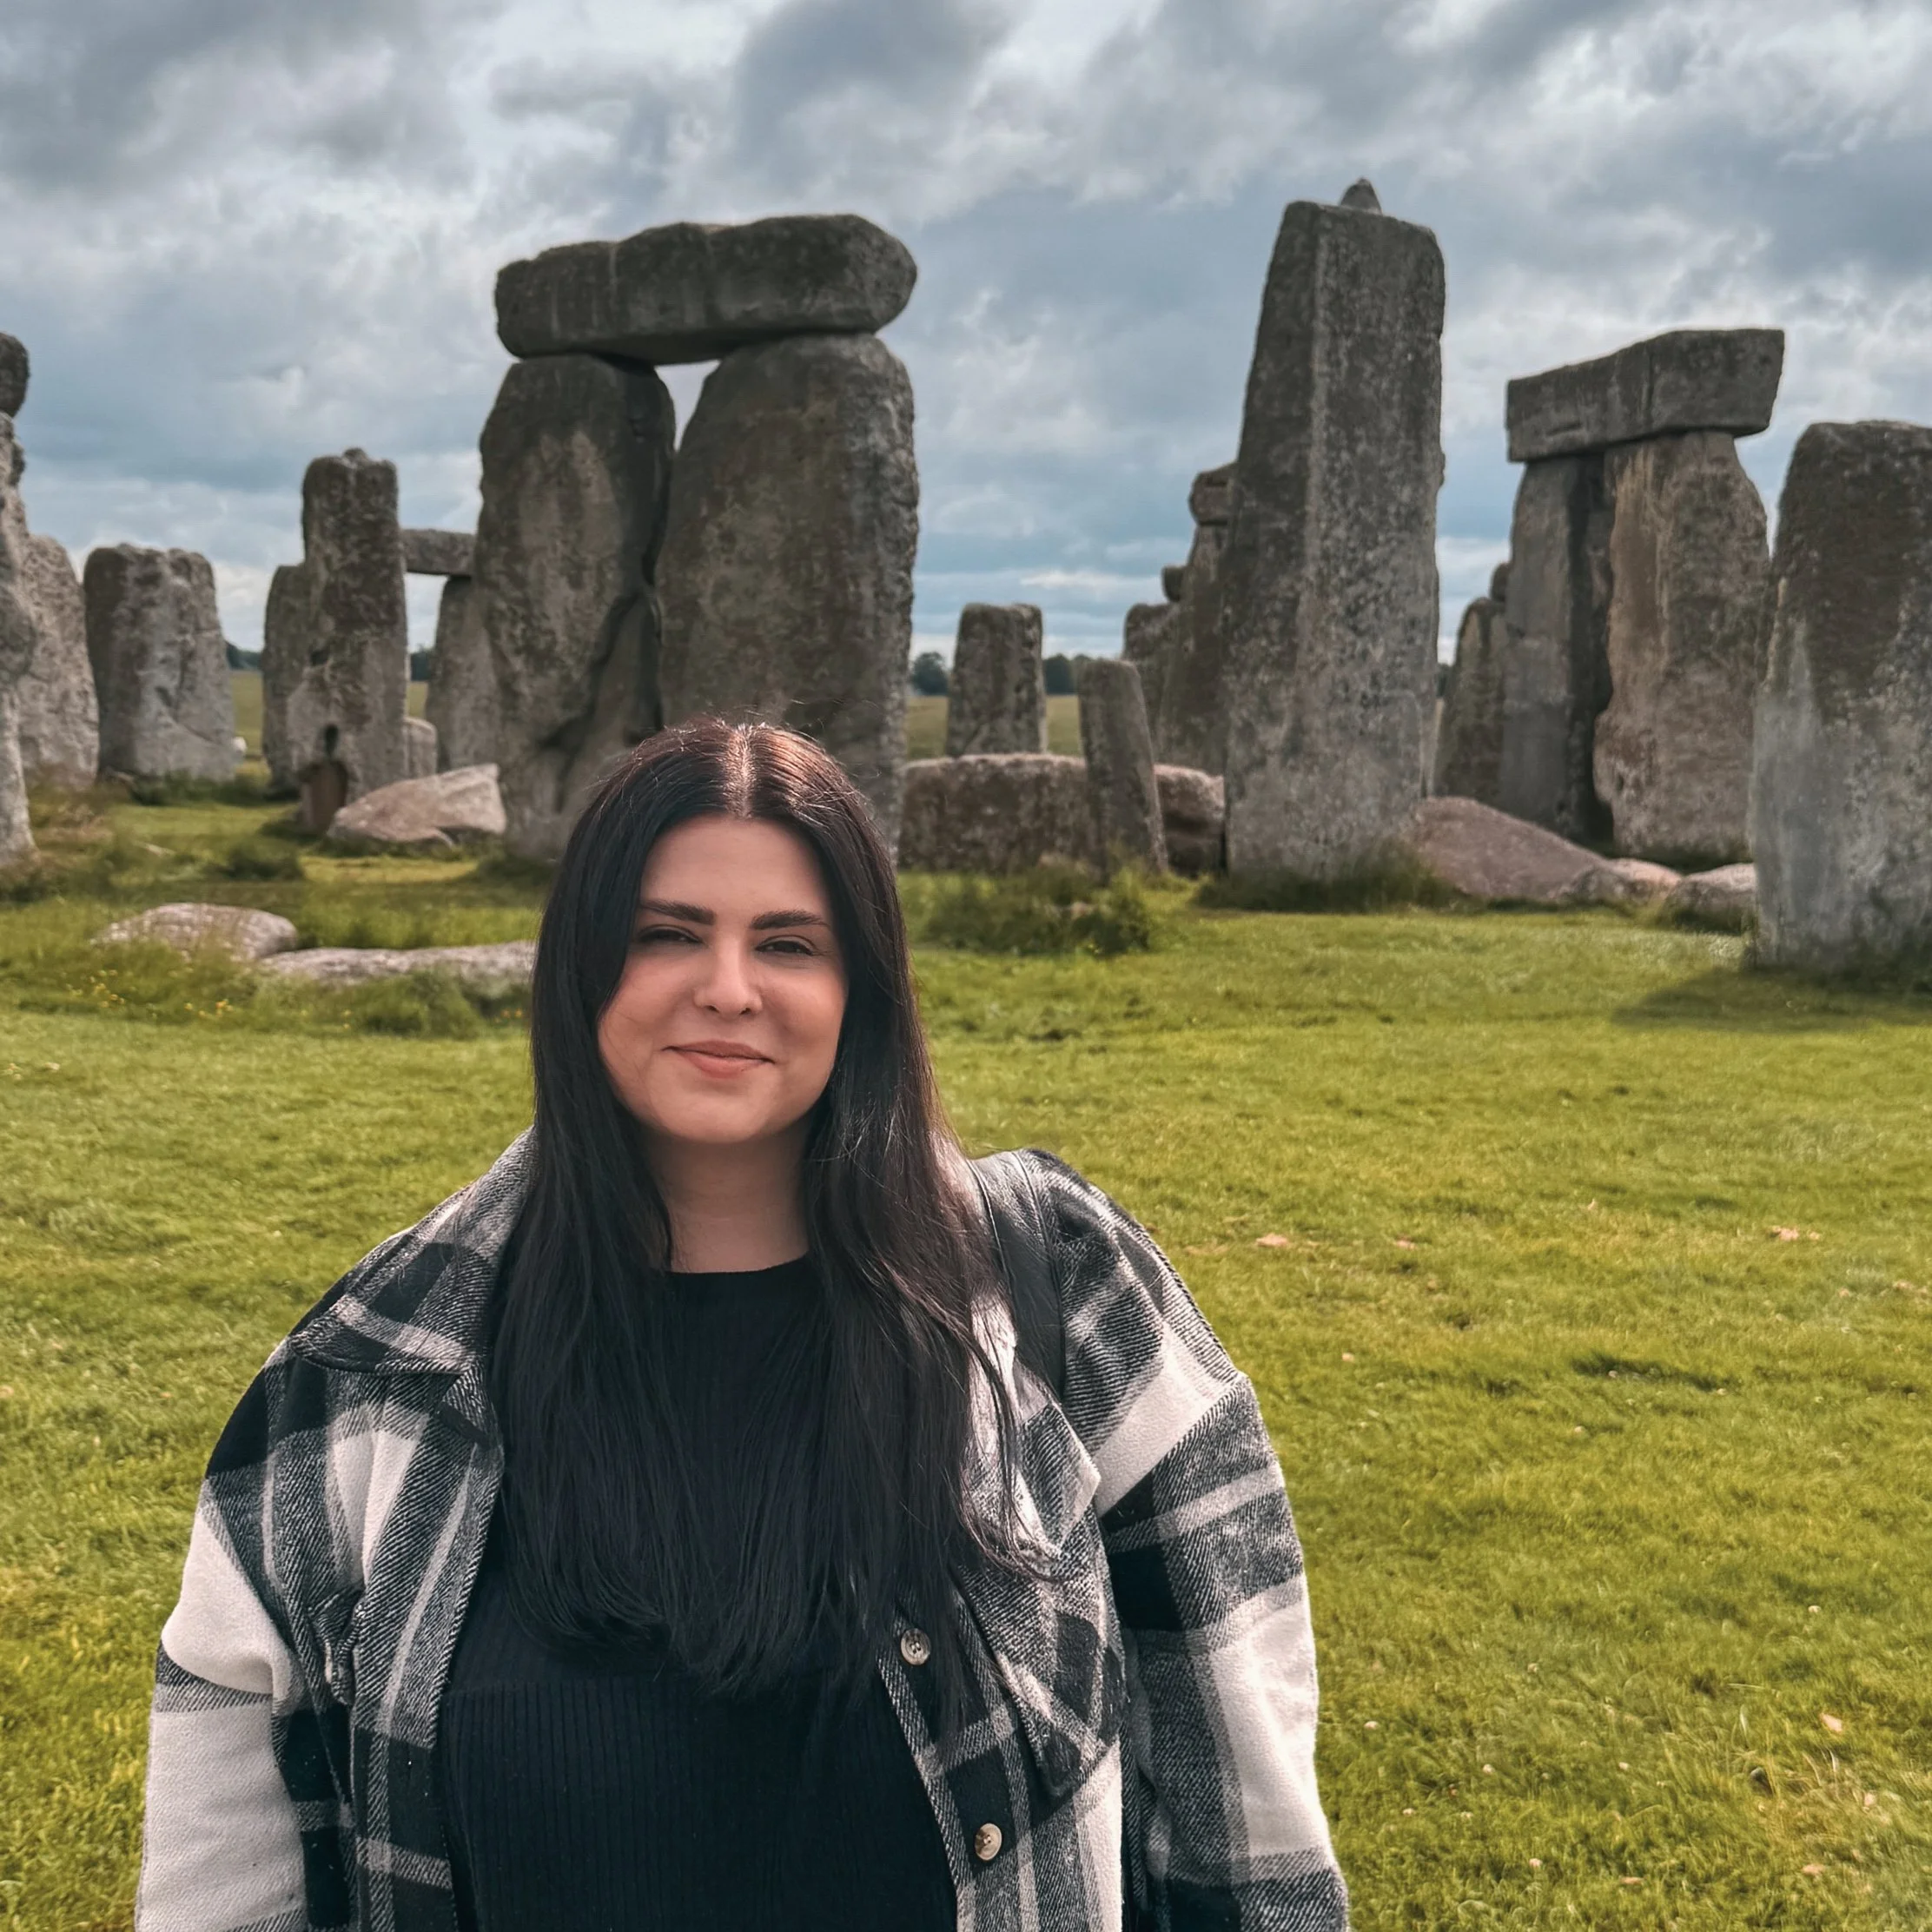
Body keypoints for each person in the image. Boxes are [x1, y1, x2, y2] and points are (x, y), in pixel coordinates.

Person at [136, 719, 1347, 1932]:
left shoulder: (1064, 1292)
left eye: (788, 943)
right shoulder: (365, 1371)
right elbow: (222, 1859)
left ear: (858, 990)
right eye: (667, 934)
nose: (727, 988)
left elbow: (1243, 1792)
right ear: (580, 967)